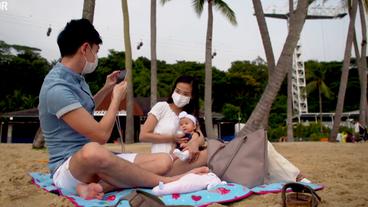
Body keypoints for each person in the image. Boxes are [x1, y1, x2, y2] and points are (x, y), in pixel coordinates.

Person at [38, 19, 208, 200]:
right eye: (96, 51)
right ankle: (166, 181)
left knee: (164, 159)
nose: (96, 57)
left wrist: (106, 88)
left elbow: (82, 110)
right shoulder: (57, 87)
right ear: (85, 48)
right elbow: (101, 136)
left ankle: (100, 186)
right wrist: (116, 98)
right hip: (69, 167)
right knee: (93, 151)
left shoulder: (76, 79)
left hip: (96, 162)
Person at [140, 75, 309, 183]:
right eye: (178, 91)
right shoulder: (162, 107)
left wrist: (194, 144)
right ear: (173, 90)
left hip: (192, 157)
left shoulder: (190, 115)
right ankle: (294, 176)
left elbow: (199, 135)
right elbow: (143, 135)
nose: (180, 95)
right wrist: (173, 139)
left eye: (186, 93)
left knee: (259, 143)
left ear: (192, 96)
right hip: (168, 162)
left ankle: (294, 176)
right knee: (244, 146)